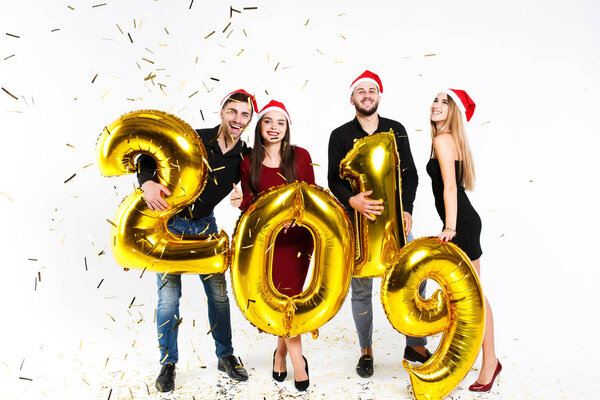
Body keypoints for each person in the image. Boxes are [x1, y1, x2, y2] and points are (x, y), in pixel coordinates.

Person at [136, 89, 257, 392]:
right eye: (233, 112)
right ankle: (168, 363)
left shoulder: (246, 155)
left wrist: (244, 196)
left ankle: (226, 356)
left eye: (244, 114)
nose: (237, 119)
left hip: (206, 228)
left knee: (218, 296)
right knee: (168, 299)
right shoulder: (195, 138)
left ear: (249, 120)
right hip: (171, 226)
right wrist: (147, 182)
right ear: (222, 112)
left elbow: (256, 186)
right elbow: (146, 155)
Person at [327, 70, 431, 378]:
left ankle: (416, 343)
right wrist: (352, 200)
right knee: (361, 288)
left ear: (379, 97)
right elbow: (334, 178)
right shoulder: (340, 135)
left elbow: (410, 173)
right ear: (352, 98)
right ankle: (366, 351)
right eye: (361, 91)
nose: (367, 94)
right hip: (358, 223)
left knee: (415, 274)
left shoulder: (395, 130)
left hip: (394, 222)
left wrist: (407, 210)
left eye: (372, 90)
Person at [230, 100, 314, 391]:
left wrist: (297, 218)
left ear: (287, 127)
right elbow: (251, 205)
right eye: (268, 122)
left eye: (281, 122)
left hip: (298, 243)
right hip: (268, 248)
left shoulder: (301, 156)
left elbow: (311, 199)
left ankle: (291, 359)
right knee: (278, 301)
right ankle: (289, 356)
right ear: (260, 127)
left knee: (290, 301)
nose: (274, 128)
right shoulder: (248, 161)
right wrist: (241, 202)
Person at [426, 89, 501, 392]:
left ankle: (490, 362)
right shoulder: (445, 139)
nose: (436, 105)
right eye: (435, 100)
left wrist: (450, 226)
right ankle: (475, 359)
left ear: (454, 112)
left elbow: (450, 190)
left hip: (463, 225)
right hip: (463, 222)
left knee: (475, 299)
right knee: (471, 296)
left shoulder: (443, 140)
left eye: (445, 102)